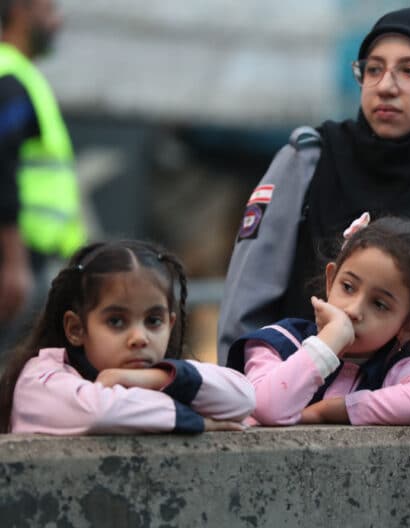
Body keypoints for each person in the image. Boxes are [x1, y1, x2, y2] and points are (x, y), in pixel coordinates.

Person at [217, 7, 410, 363]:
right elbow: (248, 299)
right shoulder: (311, 158)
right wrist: (246, 383)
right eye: (373, 69)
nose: (386, 87)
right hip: (302, 390)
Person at [0, 240, 255, 434]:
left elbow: (244, 398)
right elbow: (100, 412)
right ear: (76, 329)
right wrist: (195, 421)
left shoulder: (162, 377)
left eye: (154, 321)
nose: (139, 337)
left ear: (171, 323)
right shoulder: (38, 379)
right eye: (116, 322)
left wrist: (154, 378)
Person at [225, 215, 410, 426]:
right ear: (331, 280)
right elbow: (266, 407)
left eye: (379, 304)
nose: (353, 310)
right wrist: (330, 340)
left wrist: (335, 410)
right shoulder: (279, 343)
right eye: (348, 287)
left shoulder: (398, 369)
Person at [0, 0, 86, 357]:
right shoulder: (10, 80)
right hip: (15, 257)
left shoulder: (20, 76)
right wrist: (14, 262)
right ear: (21, 10)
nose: (57, 20)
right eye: (49, 10)